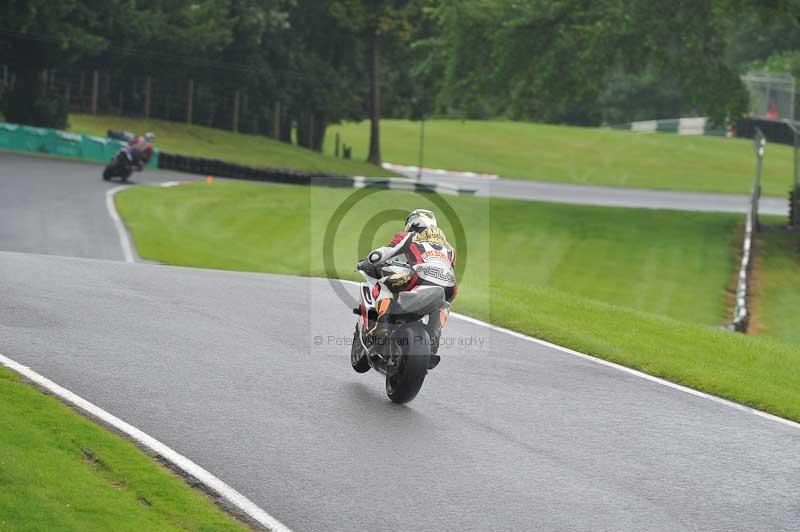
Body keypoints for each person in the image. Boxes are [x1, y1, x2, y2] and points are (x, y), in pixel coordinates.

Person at [357, 209, 457, 368]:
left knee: (384, 283)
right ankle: (434, 337)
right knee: (444, 304)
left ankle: (381, 330)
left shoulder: (409, 236)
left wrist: (368, 261)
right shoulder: (449, 247)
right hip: (450, 285)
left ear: (413, 222)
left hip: (419, 276)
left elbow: (383, 253)